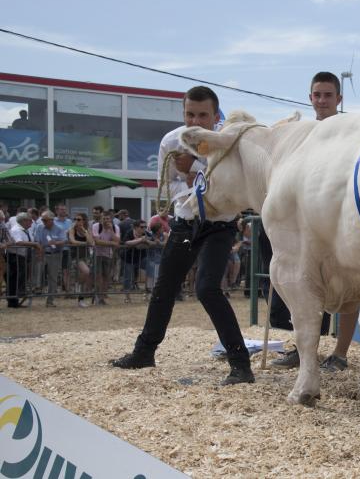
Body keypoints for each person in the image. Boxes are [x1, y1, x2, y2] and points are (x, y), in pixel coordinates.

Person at [110, 86, 254, 386]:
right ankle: (144, 352)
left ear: (216, 116)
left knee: (207, 288)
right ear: (183, 112)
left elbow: (233, 187)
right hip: (185, 222)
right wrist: (188, 181)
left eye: (203, 115)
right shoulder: (171, 141)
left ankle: (241, 364)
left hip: (219, 224)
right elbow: (168, 185)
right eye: (190, 114)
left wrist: (196, 169)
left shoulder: (228, 144)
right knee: (164, 289)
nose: (196, 121)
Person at [271, 72, 351, 372]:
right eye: (317, 95)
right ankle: (305, 351)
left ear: (338, 99)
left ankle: (340, 353)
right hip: (304, 222)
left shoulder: (347, 130)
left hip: (339, 218)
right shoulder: (302, 133)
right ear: (310, 98)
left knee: (350, 287)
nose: (322, 101)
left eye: (328, 95)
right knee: (303, 286)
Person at [7, 213, 41, 308]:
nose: (31, 222)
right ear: (23, 221)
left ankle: (15, 300)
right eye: (30, 220)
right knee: (15, 278)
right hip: (16, 256)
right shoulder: (16, 229)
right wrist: (34, 244)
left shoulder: (27, 230)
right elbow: (18, 242)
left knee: (20, 277)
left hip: (23, 256)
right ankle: (12, 300)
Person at [33, 211, 67, 307]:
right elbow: (37, 241)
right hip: (42, 252)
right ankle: (37, 287)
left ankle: (50, 300)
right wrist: (39, 251)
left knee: (53, 277)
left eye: (45, 220)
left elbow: (64, 240)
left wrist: (56, 243)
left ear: (52, 220)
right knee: (38, 269)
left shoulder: (59, 228)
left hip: (55, 254)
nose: (43, 222)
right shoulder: (39, 227)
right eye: (43, 220)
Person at [92, 213, 120, 304]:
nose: (106, 221)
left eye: (108, 219)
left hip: (109, 254)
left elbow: (117, 241)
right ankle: (98, 296)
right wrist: (111, 243)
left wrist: (111, 230)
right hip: (97, 254)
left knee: (106, 276)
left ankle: (102, 295)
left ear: (111, 219)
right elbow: (97, 241)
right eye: (104, 219)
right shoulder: (96, 226)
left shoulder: (115, 228)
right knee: (98, 276)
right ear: (100, 219)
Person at [67, 213, 94, 307]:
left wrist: (84, 231)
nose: (76, 221)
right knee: (86, 272)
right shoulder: (72, 230)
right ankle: (78, 285)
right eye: (75, 219)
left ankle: (81, 298)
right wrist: (84, 243)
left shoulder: (87, 230)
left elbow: (91, 242)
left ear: (84, 221)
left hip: (86, 256)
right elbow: (73, 241)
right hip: (75, 257)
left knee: (85, 276)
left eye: (79, 219)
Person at [121, 219, 150, 303]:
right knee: (128, 277)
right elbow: (126, 242)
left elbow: (153, 241)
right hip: (128, 258)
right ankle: (127, 296)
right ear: (135, 228)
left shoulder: (146, 233)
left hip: (141, 257)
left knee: (151, 270)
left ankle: (146, 293)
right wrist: (140, 241)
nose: (144, 229)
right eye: (142, 227)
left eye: (145, 227)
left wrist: (147, 241)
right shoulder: (130, 232)